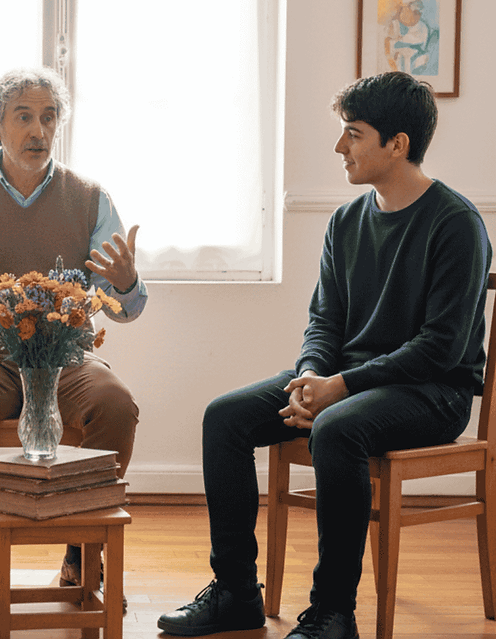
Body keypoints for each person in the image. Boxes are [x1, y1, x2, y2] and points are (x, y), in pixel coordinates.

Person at [157, 71, 492, 639]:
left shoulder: (457, 225)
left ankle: (334, 613)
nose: (340, 147)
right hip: (347, 381)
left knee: (336, 429)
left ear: (398, 144)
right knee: (226, 417)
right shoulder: (345, 221)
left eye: (353, 134)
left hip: (433, 392)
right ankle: (237, 592)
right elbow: (324, 321)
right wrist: (314, 373)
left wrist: (341, 387)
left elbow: (440, 348)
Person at [0, 67, 147, 616]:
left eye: (49, 117)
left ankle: (82, 552)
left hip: (68, 356)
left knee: (114, 403)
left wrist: (129, 282)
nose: (39, 131)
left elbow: (128, 308)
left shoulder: (90, 198)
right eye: (24, 117)